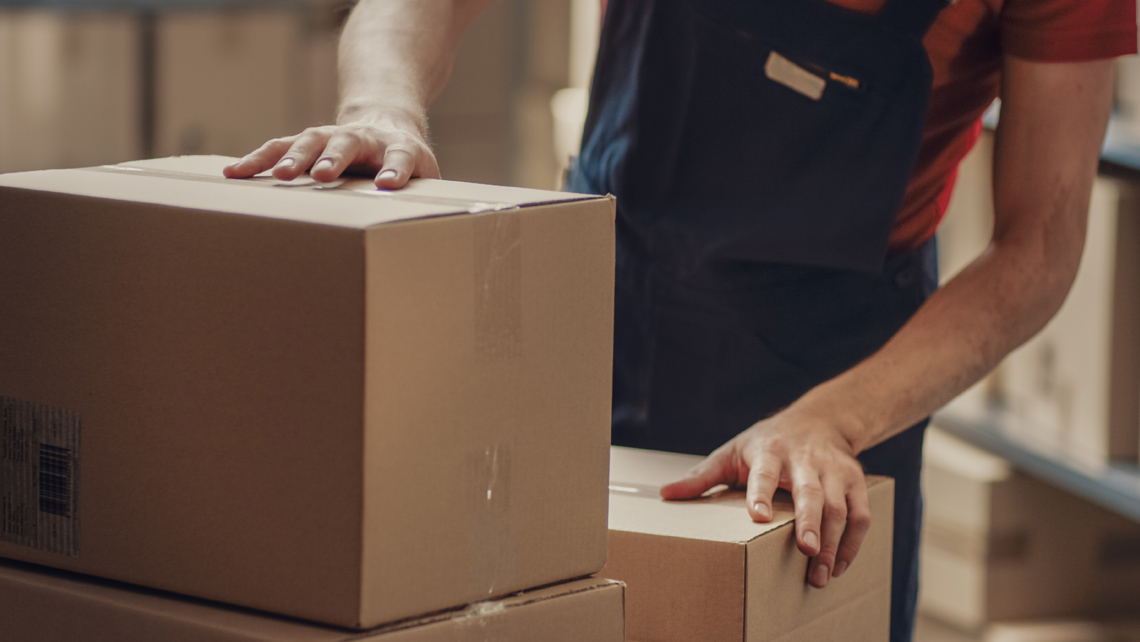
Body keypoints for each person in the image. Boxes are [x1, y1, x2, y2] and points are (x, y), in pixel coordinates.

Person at [224, 1, 1136, 640]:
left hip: (837, 363)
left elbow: (1040, 247)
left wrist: (834, 419)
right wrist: (381, 105)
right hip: (600, 312)